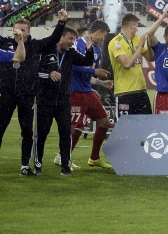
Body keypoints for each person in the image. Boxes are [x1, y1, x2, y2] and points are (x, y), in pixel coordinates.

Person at [0, 9, 68, 176]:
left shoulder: (36, 45)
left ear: (29, 31)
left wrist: (61, 23)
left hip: (27, 95)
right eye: (16, 29)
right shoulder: (5, 43)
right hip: (6, 94)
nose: (19, 32)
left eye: (23, 30)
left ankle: (25, 165)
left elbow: (53, 39)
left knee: (27, 132)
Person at [35, 27, 95, 176]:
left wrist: (89, 50)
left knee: (66, 133)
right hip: (45, 100)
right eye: (70, 38)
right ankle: (37, 164)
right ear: (61, 37)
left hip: (64, 100)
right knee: (42, 134)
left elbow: (86, 61)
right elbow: (35, 72)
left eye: (74, 39)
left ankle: (65, 167)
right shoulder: (46, 51)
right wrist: (49, 73)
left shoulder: (71, 53)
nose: (72, 42)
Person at [67, 20, 113, 170]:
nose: (103, 39)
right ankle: (63, 157)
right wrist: (94, 71)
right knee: (76, 125)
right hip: (75, 91)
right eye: (103, 36)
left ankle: (94, 158)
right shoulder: (78, 44)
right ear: (98, 32)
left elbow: (89, 74)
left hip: (87, 91)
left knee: (104, 122)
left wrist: (100, 83)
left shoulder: (97, 50)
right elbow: (72, 67)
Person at [109, 10, 165, 118]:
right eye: (136, 26)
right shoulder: (116, 42)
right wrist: (139, 48)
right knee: (124, 127)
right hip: (124, 92)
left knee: (146, 125)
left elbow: (151, 58)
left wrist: (148, 45)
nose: (137, 29)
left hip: (141, 91)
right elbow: (126, 64)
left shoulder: (137, 40)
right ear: (131, 26)